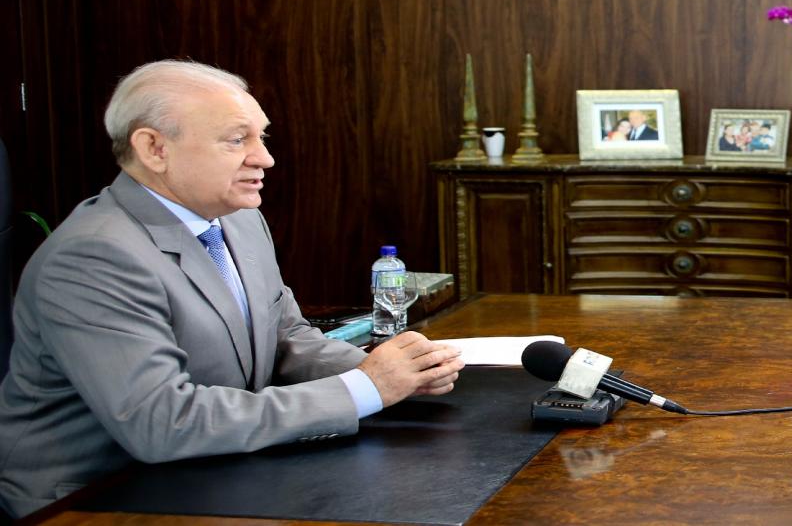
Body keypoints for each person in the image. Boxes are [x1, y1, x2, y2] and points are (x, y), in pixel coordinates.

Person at [0, 60, 465, 519]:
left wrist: (398, 374)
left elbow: (286, 338)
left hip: (214, 473)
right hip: (95, 499)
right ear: (154, 148)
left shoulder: (238, 220)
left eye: (262, 137)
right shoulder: (94, 255)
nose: (265, 158)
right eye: (237, 139)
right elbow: (163, 422)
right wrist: (366, 387)